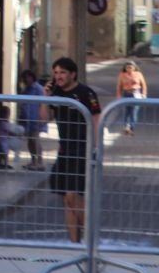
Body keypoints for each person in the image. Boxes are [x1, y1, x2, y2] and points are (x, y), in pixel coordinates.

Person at [44, 57, 102, 243]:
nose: (58, 77)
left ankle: (91, 237)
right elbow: (43, 119)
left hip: (81, 149)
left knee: (73, 195)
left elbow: (96, 117)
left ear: (72, 74)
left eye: (62, 73)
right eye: (56, 73)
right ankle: (74, 242)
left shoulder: (85, 93)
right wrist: (44, 97)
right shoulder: (55, 93)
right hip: (64, 149)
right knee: (66, 200)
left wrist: (95, 146)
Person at [18, 67, 47, 170]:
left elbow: (43, 104)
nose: (26, 80)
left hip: (36, 119)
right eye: (24, 78)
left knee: (35, 140)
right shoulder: (26, 89)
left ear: (32, 77)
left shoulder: (38, 89)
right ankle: (33, 161)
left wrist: (41, 118)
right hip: (27, 119)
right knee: (30, 141)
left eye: (28, 77)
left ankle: (40, 162)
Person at [117, 60, 148, 135]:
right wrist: (119, 95)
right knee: (126, 111)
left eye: (131, 67)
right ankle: (126, 127)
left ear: (134, 68)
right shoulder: (122, 75)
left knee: (134, 112)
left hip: (136, 93)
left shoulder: (138, 74)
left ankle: (132, 128)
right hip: (126, 93)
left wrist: (144, 94)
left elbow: (143, 85)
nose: (129, 69)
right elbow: (119, 86)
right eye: (127, 67)